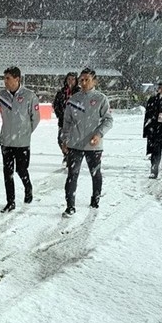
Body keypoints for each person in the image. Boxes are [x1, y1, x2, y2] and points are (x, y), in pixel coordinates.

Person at [60, 68, 113, 217]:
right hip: (74, 144)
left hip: (93, 145)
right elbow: (67, 122)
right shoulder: (73, 99)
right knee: (72, 175)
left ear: (94, 81)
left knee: (95, 173)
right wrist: (65, 139)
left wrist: (99, 134)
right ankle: (70, 206)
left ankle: (95, 199)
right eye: (81, 79)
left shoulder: (101, 99)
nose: (83, 82)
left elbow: (109, 120)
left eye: (86, 79)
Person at [0, 66, 40, 213]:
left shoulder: (29, 96)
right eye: (4, 78)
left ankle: (28, 188)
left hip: (22, 143)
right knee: (7, 173)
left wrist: (25, 133)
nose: (5, 81)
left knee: (21, 170)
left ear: (17, 79)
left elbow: (35, 118)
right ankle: (11, 201)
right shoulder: (2, 95)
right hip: (6, 141)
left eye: (8, 78)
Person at [52, 72, 79, 166]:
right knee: (61, 139)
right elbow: (56, 105)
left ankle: (72, 157)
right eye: (69, 79)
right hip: (63, 120)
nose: (70, 81)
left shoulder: (79, 92)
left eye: (73, 79)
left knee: (74, 140)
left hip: (75, 121)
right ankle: (66, 154)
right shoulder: (61, 92)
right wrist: (60, 114)